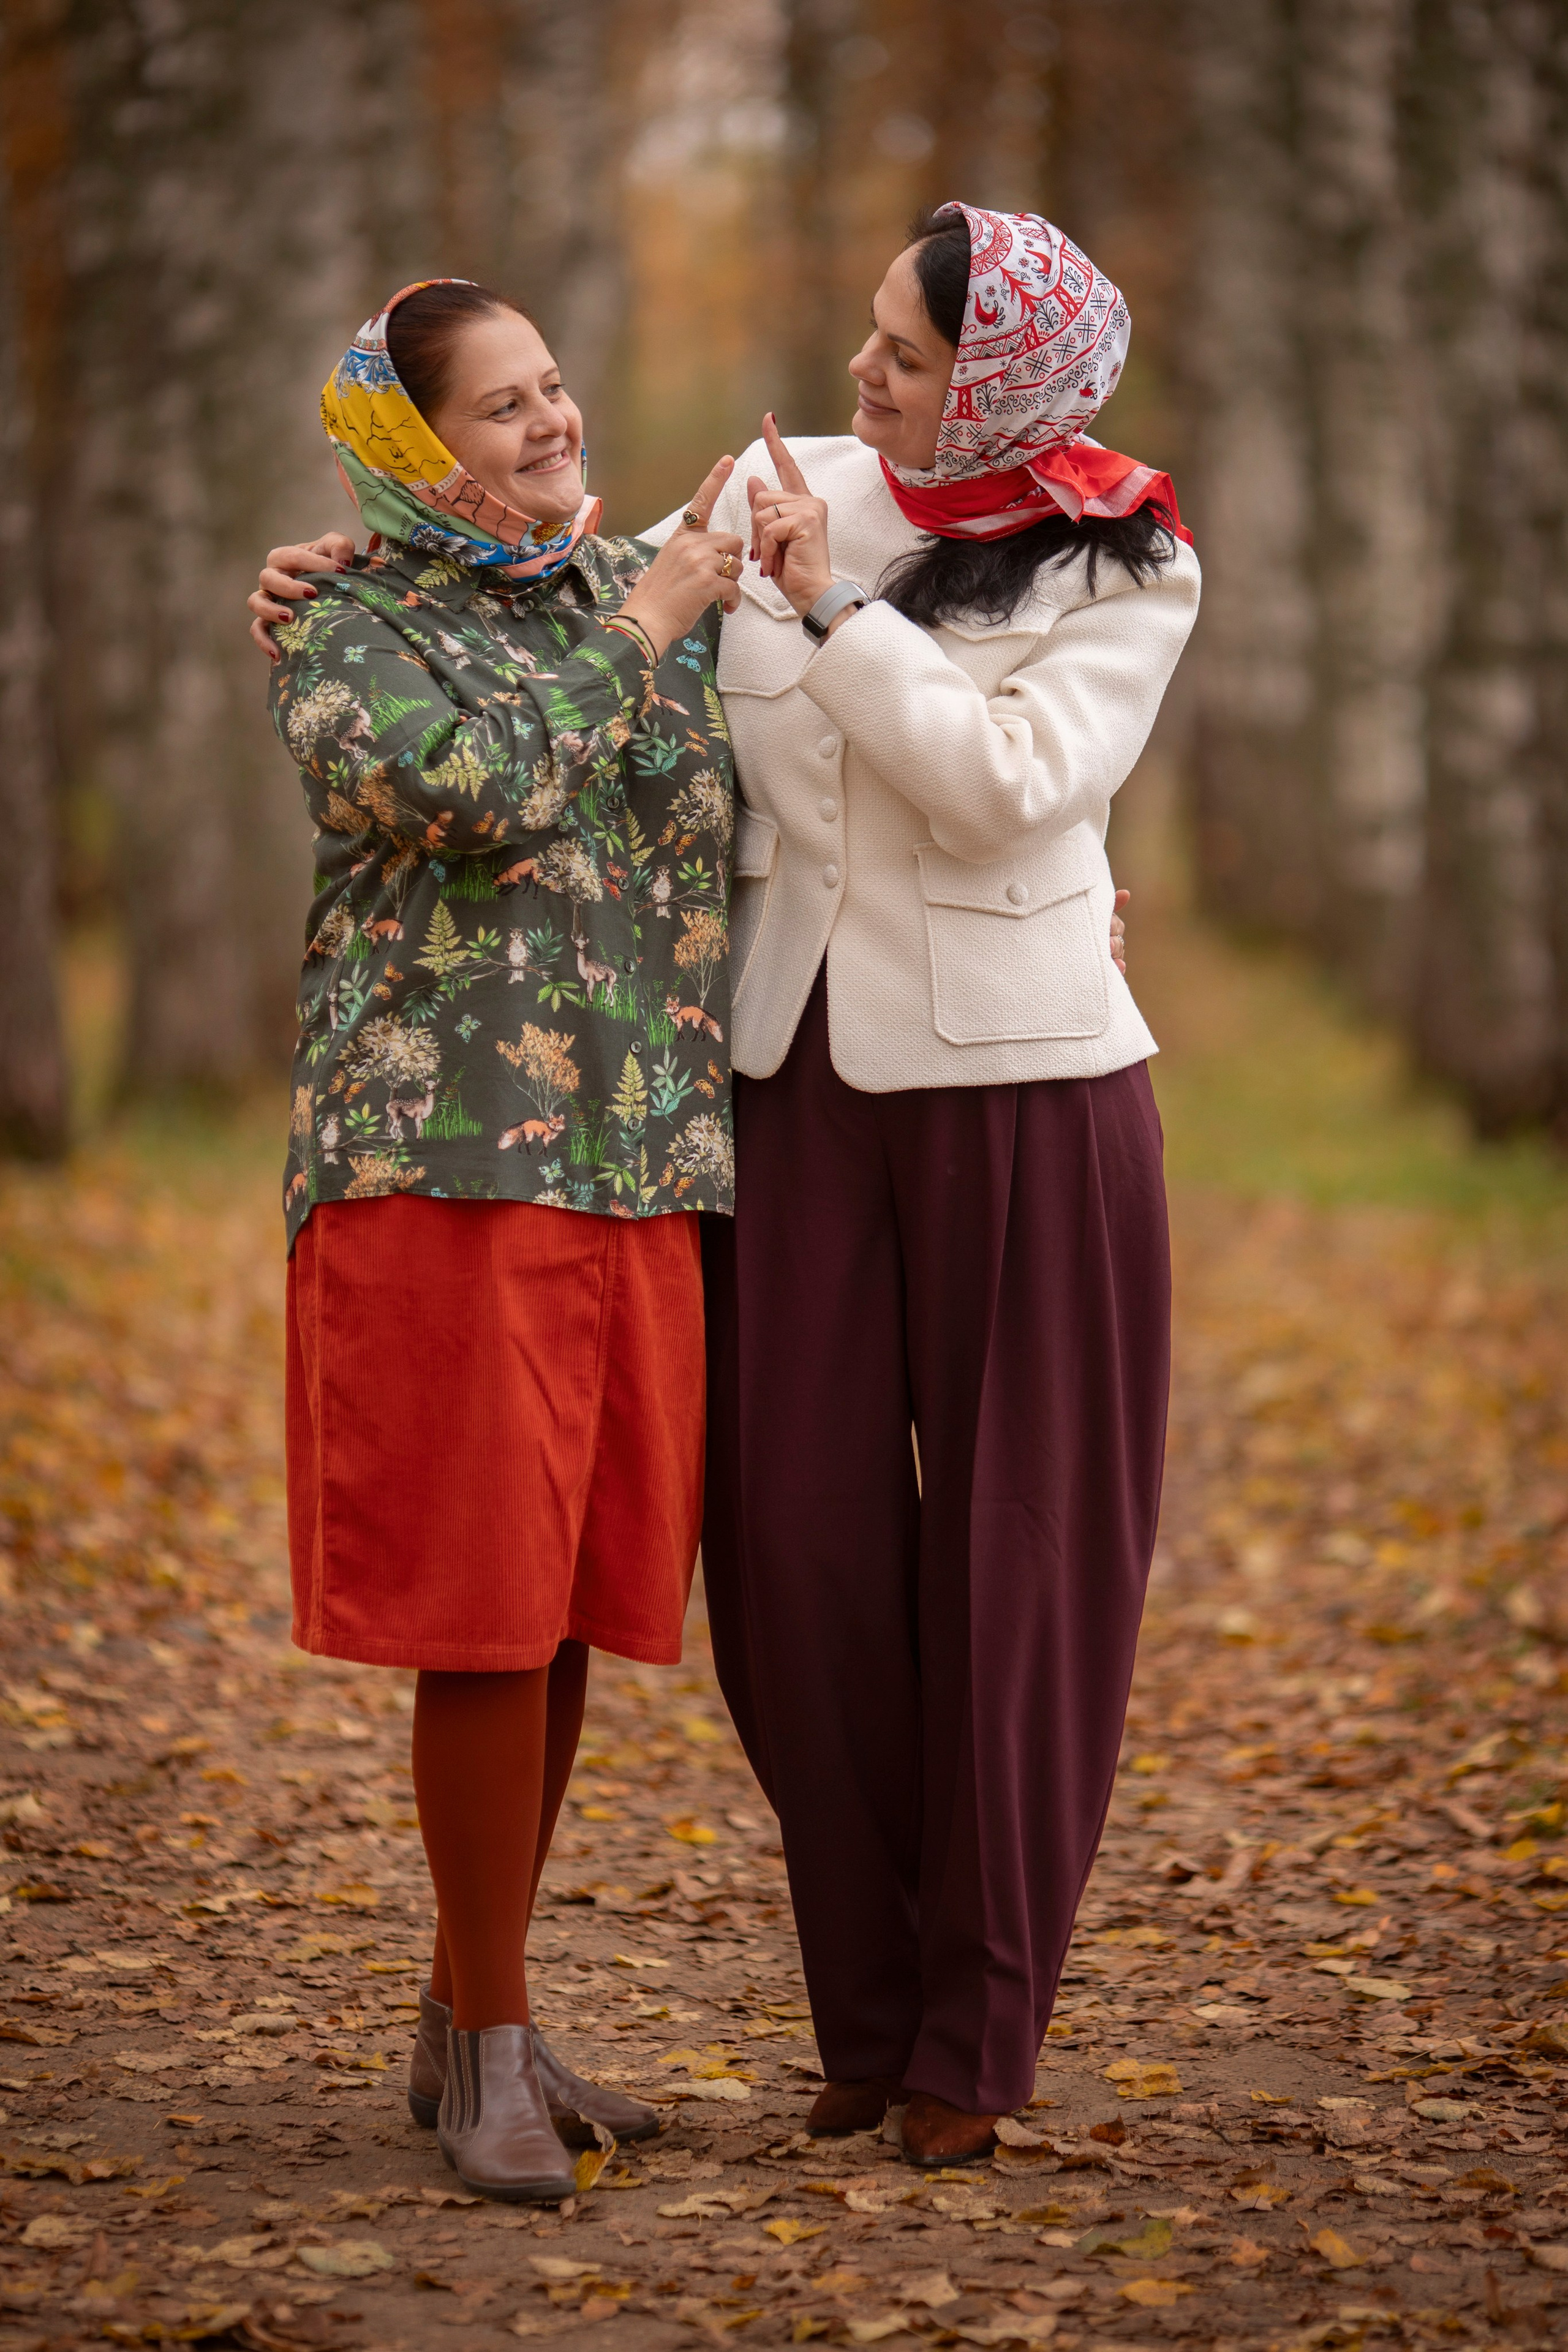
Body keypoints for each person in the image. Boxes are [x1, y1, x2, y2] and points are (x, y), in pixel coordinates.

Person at [251, 202, 1196, 2172]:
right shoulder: (754, 509)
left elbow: (1010, 783)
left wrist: (844, 635)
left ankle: (950, 2035)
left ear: (998, 377)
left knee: (984, 1569)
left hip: (924, 1103)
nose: (860, 380)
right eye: (869, 343)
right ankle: (808, 2015)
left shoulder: (1130, 553)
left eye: (906, 356)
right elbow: (541, 673)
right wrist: (348, 564)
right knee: (777, 1565)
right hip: (701, 1117)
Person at [263, 275, 745, 2203]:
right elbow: (481, 787)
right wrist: (650, 615)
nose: (553, 422)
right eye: (501, 409)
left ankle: (484, 2007)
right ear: (409, 447)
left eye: (555, 388)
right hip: (445, 1168)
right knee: (478, 1607)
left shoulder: (619, 597)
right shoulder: (349, 627)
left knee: (556, 1612)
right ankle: (483, 2052)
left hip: (636, 1164)